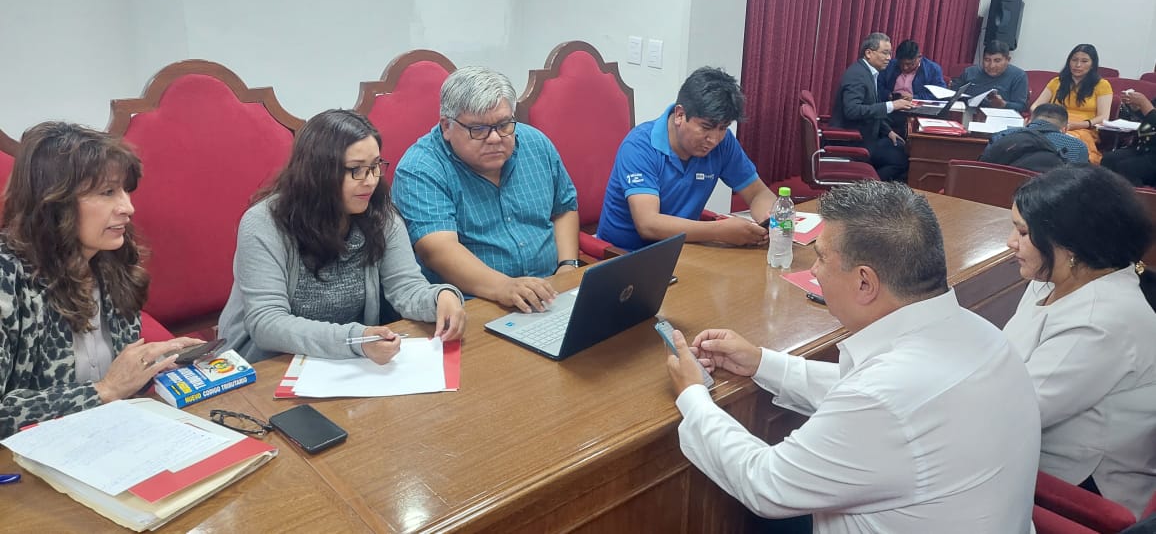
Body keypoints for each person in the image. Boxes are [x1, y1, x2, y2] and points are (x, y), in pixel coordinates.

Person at [664, 181, 1040, 532]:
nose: (813, 271)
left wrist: (693, 395)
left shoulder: (883, 398)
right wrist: (762, 362)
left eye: (821, 258)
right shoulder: (985, 336)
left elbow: (766, 483)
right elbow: (866, 392)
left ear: (865, 282)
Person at [0, 123, 204, 438]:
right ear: (55, 202)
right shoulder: (7, 277)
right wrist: (105, 390)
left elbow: (115, 380)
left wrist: (154, 363)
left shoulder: (112, 260)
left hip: (110, 439)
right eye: (107, 192)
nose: (128, 207)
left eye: (125, 191)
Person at [217, 110, 466, 364]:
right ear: (318, 173)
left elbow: (406, 288)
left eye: (375, 166)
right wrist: (355, 339)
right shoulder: (264, 223)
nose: (370, 181)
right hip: (265, 365)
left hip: (345, 361)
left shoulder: (380, 214)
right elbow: (267, 323)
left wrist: (440, 298)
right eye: (356, 170)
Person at [1003, 166, 1156, 518]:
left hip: (1079, 485)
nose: (1011, 242)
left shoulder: (1101, 321)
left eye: (1023, 232)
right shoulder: (1051, 278)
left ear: (1071, 244)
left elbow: (1015, 411)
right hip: (1031, 447)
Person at [393, 67, 579, 314]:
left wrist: (567, 266)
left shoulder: (535, 143)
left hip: (549, 292)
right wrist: (505, 287)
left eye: (504, 124)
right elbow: (437, 250)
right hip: (473, 303)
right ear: (447, 126)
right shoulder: (420, 168)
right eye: (478, 129)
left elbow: (564, 208)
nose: (494, 138)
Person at [596, 67, 776, 251]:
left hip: (683, 250)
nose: (714, 139)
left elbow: (758, 194)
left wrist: (770, 218)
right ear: (680, 115)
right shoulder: (639, 146)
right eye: (706, 127)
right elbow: (648, 224)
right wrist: (719, 231)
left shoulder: (724, 143)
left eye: (723, 128)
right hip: (624, 256)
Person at [829, 32, 915, 181]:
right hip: (854, 141)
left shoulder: (868, 72)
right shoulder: (858, 75)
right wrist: (891, 106)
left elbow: (870, 108)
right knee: (902, 161)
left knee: (901, 148)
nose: (889, 58)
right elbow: (852, 111)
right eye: (885, 53)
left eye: (890, 53)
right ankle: (864, 191)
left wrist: (888, 131)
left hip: (867, 135)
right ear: (868, 53)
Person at [1031, 44, 1113, 164]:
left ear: (1092, 64)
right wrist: (1040, 119)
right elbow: (1035, 106)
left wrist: (1078, 125)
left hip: (1084, 128)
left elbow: (1104, 117)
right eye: (1074, 60)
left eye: (1084, 61)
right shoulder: (1056, 82)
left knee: (1067, 140)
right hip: (1054, 123)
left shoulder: (1102, 85)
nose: (1078, 65)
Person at [982, 103, 1089, 167]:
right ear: (1065, 129)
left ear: (1027, 122)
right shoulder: (1077, 146)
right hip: (1049, 201)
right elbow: (1078, 184)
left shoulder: (1002, 136)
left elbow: (985, 167)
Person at [877, 40, 946, 139]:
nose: (905, 67)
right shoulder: (890, 66)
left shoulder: (932, 69)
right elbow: (877, 87)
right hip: (892, 108)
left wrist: (914, 97)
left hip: (917, 112)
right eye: (901, 64)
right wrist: (889, 95)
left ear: (919, 57)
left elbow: (940, 94)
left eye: (910, 64)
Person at [952, 40, 1030, 113]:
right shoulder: (970, 72)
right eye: (987, 60)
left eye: (997, 61)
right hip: (968, 114)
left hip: (999, 117)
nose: (991, 66)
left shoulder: (1018, 76)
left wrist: (1004, 104)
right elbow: (953, 95)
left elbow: (1021, 107)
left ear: (1008, 60)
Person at [1103, 90, 1156, 186]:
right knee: (1108, 159)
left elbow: (1150, 112)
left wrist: (1145, 104)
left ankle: (1137, 198)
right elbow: (1149, 116)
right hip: (1144, 147)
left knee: (1126, 168)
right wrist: (1137, 108)